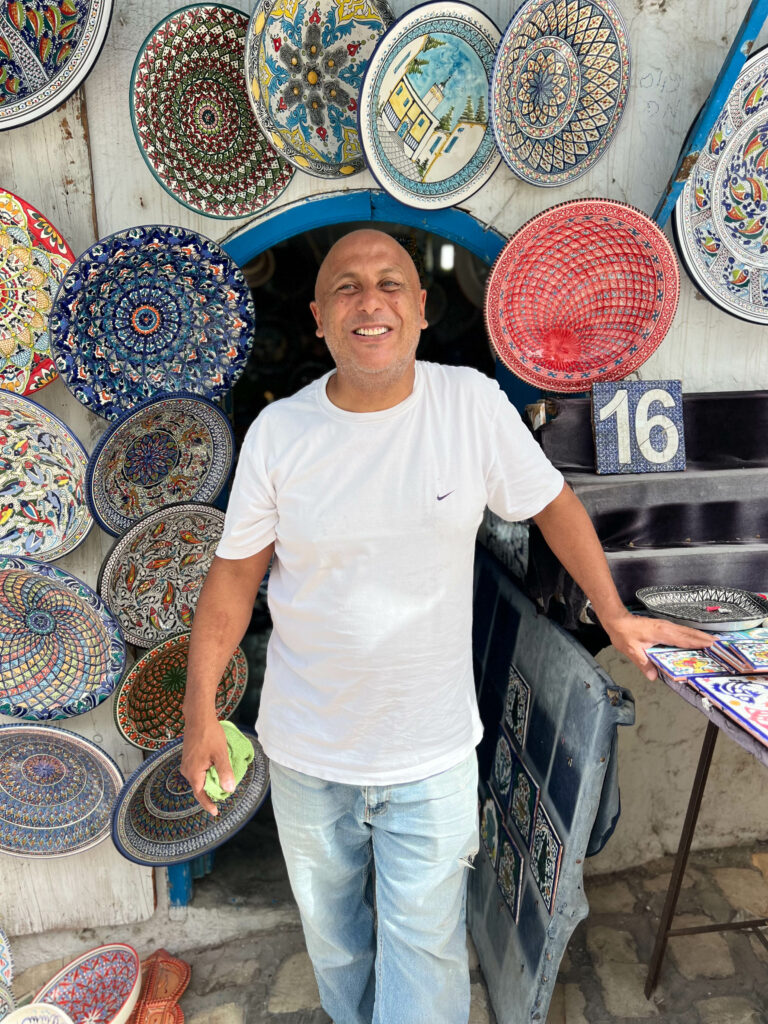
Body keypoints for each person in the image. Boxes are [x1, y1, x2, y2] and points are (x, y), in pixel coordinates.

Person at [180, 229, 712, 1024]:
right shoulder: (281, 435)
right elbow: (233, 579)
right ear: (320, 320)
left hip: (429, 755)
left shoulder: (468, 404)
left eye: (390, 282)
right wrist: (200, 713)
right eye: (347, 288)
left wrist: (616, 612)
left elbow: (552, 504)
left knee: (424, 953)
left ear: (423, 309)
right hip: (307, 753)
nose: (371, 301)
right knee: (336, 944)